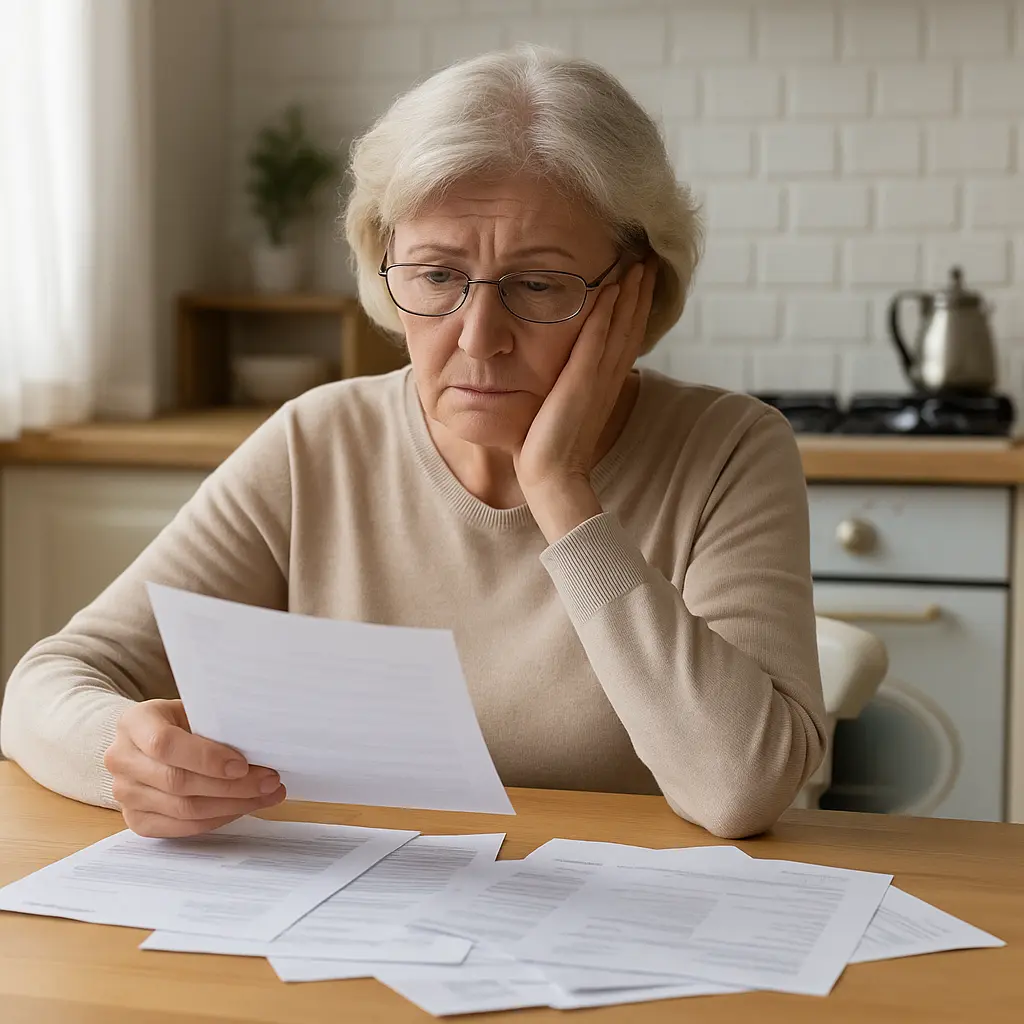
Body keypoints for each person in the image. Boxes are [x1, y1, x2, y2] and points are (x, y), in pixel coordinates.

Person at [0, 46, 825, 840]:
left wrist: (562, 491)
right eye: (436, 276)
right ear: (384, 270)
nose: (477, 338)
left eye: (539, 285)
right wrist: (126, 759)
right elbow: (45, 685)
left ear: (636, 294)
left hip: (634, 945)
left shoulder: (729, 452)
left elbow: (739, 788)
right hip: (357, 929)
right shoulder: (314, 444)